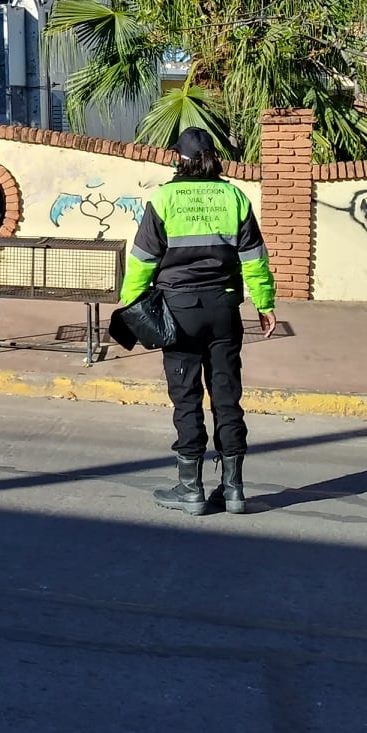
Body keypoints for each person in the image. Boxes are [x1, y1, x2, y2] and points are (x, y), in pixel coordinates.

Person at [117, 127, 277, 516]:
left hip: (180, 312)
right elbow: (254, 258)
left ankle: (191, 489)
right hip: (224, 310)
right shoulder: (234, 196)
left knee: (186, 398)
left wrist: (127, 307)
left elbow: (141, 261)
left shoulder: (165, 198)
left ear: (179, 159)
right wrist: (265, 302)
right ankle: (234, 490)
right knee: (227, 397)